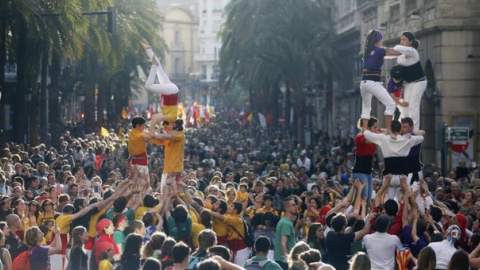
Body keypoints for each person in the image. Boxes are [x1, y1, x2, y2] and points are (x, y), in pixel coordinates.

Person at [363, 120, 424, 200]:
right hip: (402, 178)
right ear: (400, 130)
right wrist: (410, 134)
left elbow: (366, 134)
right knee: (403, 202)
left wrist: (384, 132)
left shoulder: (383, 138)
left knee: (389, 202)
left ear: (390, 129)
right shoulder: (407, 139)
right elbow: (421, 138)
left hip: (389, 177)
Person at [360, 29, 399, 131]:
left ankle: (364, 130)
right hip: (373, 83)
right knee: (390, 104)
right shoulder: (379, 50)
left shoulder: (366, 52)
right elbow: (395, 52)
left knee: (366, 107)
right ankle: (389, 130)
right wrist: (409, 50)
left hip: (363, 83)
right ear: (379, 40)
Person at [394, 31, 427, 131]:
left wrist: (395, 48)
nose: (401, 41)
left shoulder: (413, 51)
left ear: (410, 42)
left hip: (419, 82)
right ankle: (403, 127)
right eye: (401, 39)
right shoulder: (401, 53)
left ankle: (415, 129)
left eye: (404, 39)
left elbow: (396, 48)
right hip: (409, 83)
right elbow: (391, 53)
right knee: (405, 105)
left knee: (414, 105)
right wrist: (380, 52)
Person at [140, 42, 179, 124]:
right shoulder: (172, 118)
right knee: (148, 85)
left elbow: (155, 117)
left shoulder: (168, 116)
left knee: (159, 68)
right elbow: (155, 119)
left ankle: (148, 50)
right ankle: (153, 65)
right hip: (170, 91)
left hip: (171, 88)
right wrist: (151, 131)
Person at [352, 117, 378, 204]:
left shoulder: (373, 135)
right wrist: (366, 131)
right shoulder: (359, 137)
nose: (377, 129)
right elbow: (367, 141)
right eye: (375, 127)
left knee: (369, 198)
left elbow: (386, 131)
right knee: (364, 198)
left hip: (368, 171)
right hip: (360, 171)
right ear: (369, 128)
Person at [274, 199, 297, 269]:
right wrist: (287, 258)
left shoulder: (285, 221)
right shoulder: (286, 223)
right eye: (293, 205)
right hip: (283, 260)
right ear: (287, 208)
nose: (295, 206)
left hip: (280, 258)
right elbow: (283, 243)